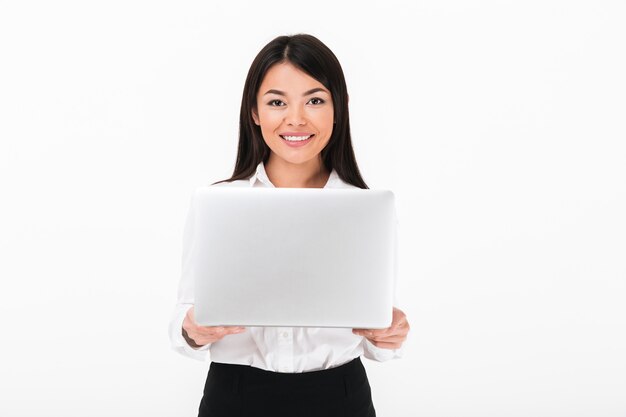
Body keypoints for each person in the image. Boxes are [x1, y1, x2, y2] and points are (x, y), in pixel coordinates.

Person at [169, 33, 411, 417]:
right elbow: (183, 324)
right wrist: (193, 331)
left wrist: (390, 334)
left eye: (314, 100)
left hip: (339, 396)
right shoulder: (219, 203)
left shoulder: (365, 208)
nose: (295, 118)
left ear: (338, 109)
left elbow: (378, 337)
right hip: (235, 395)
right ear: (254, 112)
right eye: (277, 102)